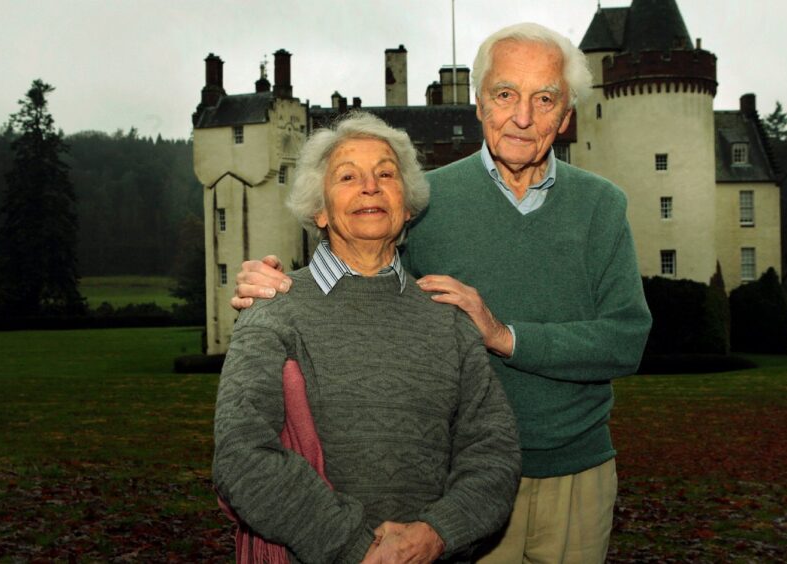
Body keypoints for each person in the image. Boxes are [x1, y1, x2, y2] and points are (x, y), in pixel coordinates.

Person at [233, 22, 653, 564]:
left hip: (577, 471)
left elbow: (626, 341)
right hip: (455, 485)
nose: (522, 117)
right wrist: (274, 284)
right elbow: (363, 275)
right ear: (479, 104)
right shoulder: (426, 200)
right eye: (505, 95)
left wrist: (503, 336)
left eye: (544, 99)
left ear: (566, 116)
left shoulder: (601, 205)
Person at [213, 112, 521, 564]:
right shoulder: (274, 309)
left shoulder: (447, 319)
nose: (370, 187)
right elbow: (241, 456)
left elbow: (494, 452)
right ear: (318, 208)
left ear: (408, 205)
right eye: (347, 176)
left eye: (385, 174)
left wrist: (435, 534)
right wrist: (357, 550)